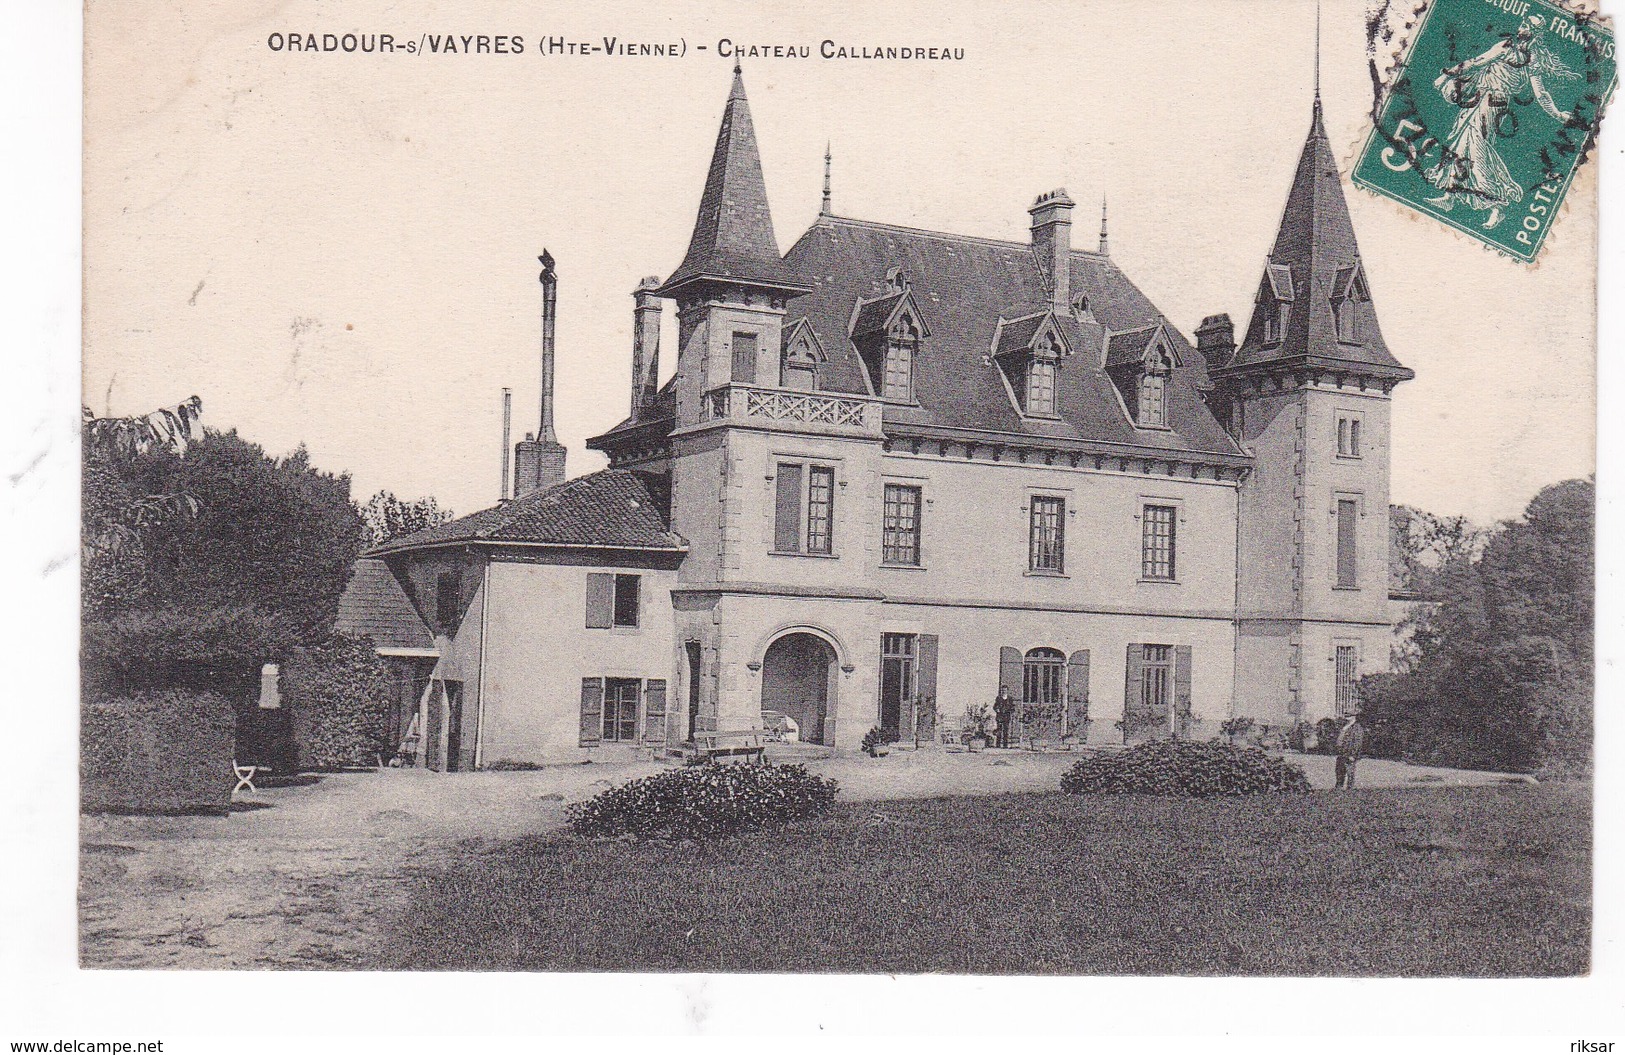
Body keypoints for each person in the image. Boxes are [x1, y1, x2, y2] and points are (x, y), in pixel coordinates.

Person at [1334, 708, 1366, 789]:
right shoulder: (1344, 726)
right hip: (1341, 753)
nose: (1347, 718)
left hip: (1349, 754)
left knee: (1350, 773)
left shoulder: (1357, 728)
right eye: (1346, 716)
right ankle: (1338, 789)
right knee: (1339, 772)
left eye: (1349, 716)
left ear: (1354, 716)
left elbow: (1357, 743)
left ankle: (1350, 789)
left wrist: (1353, 755)